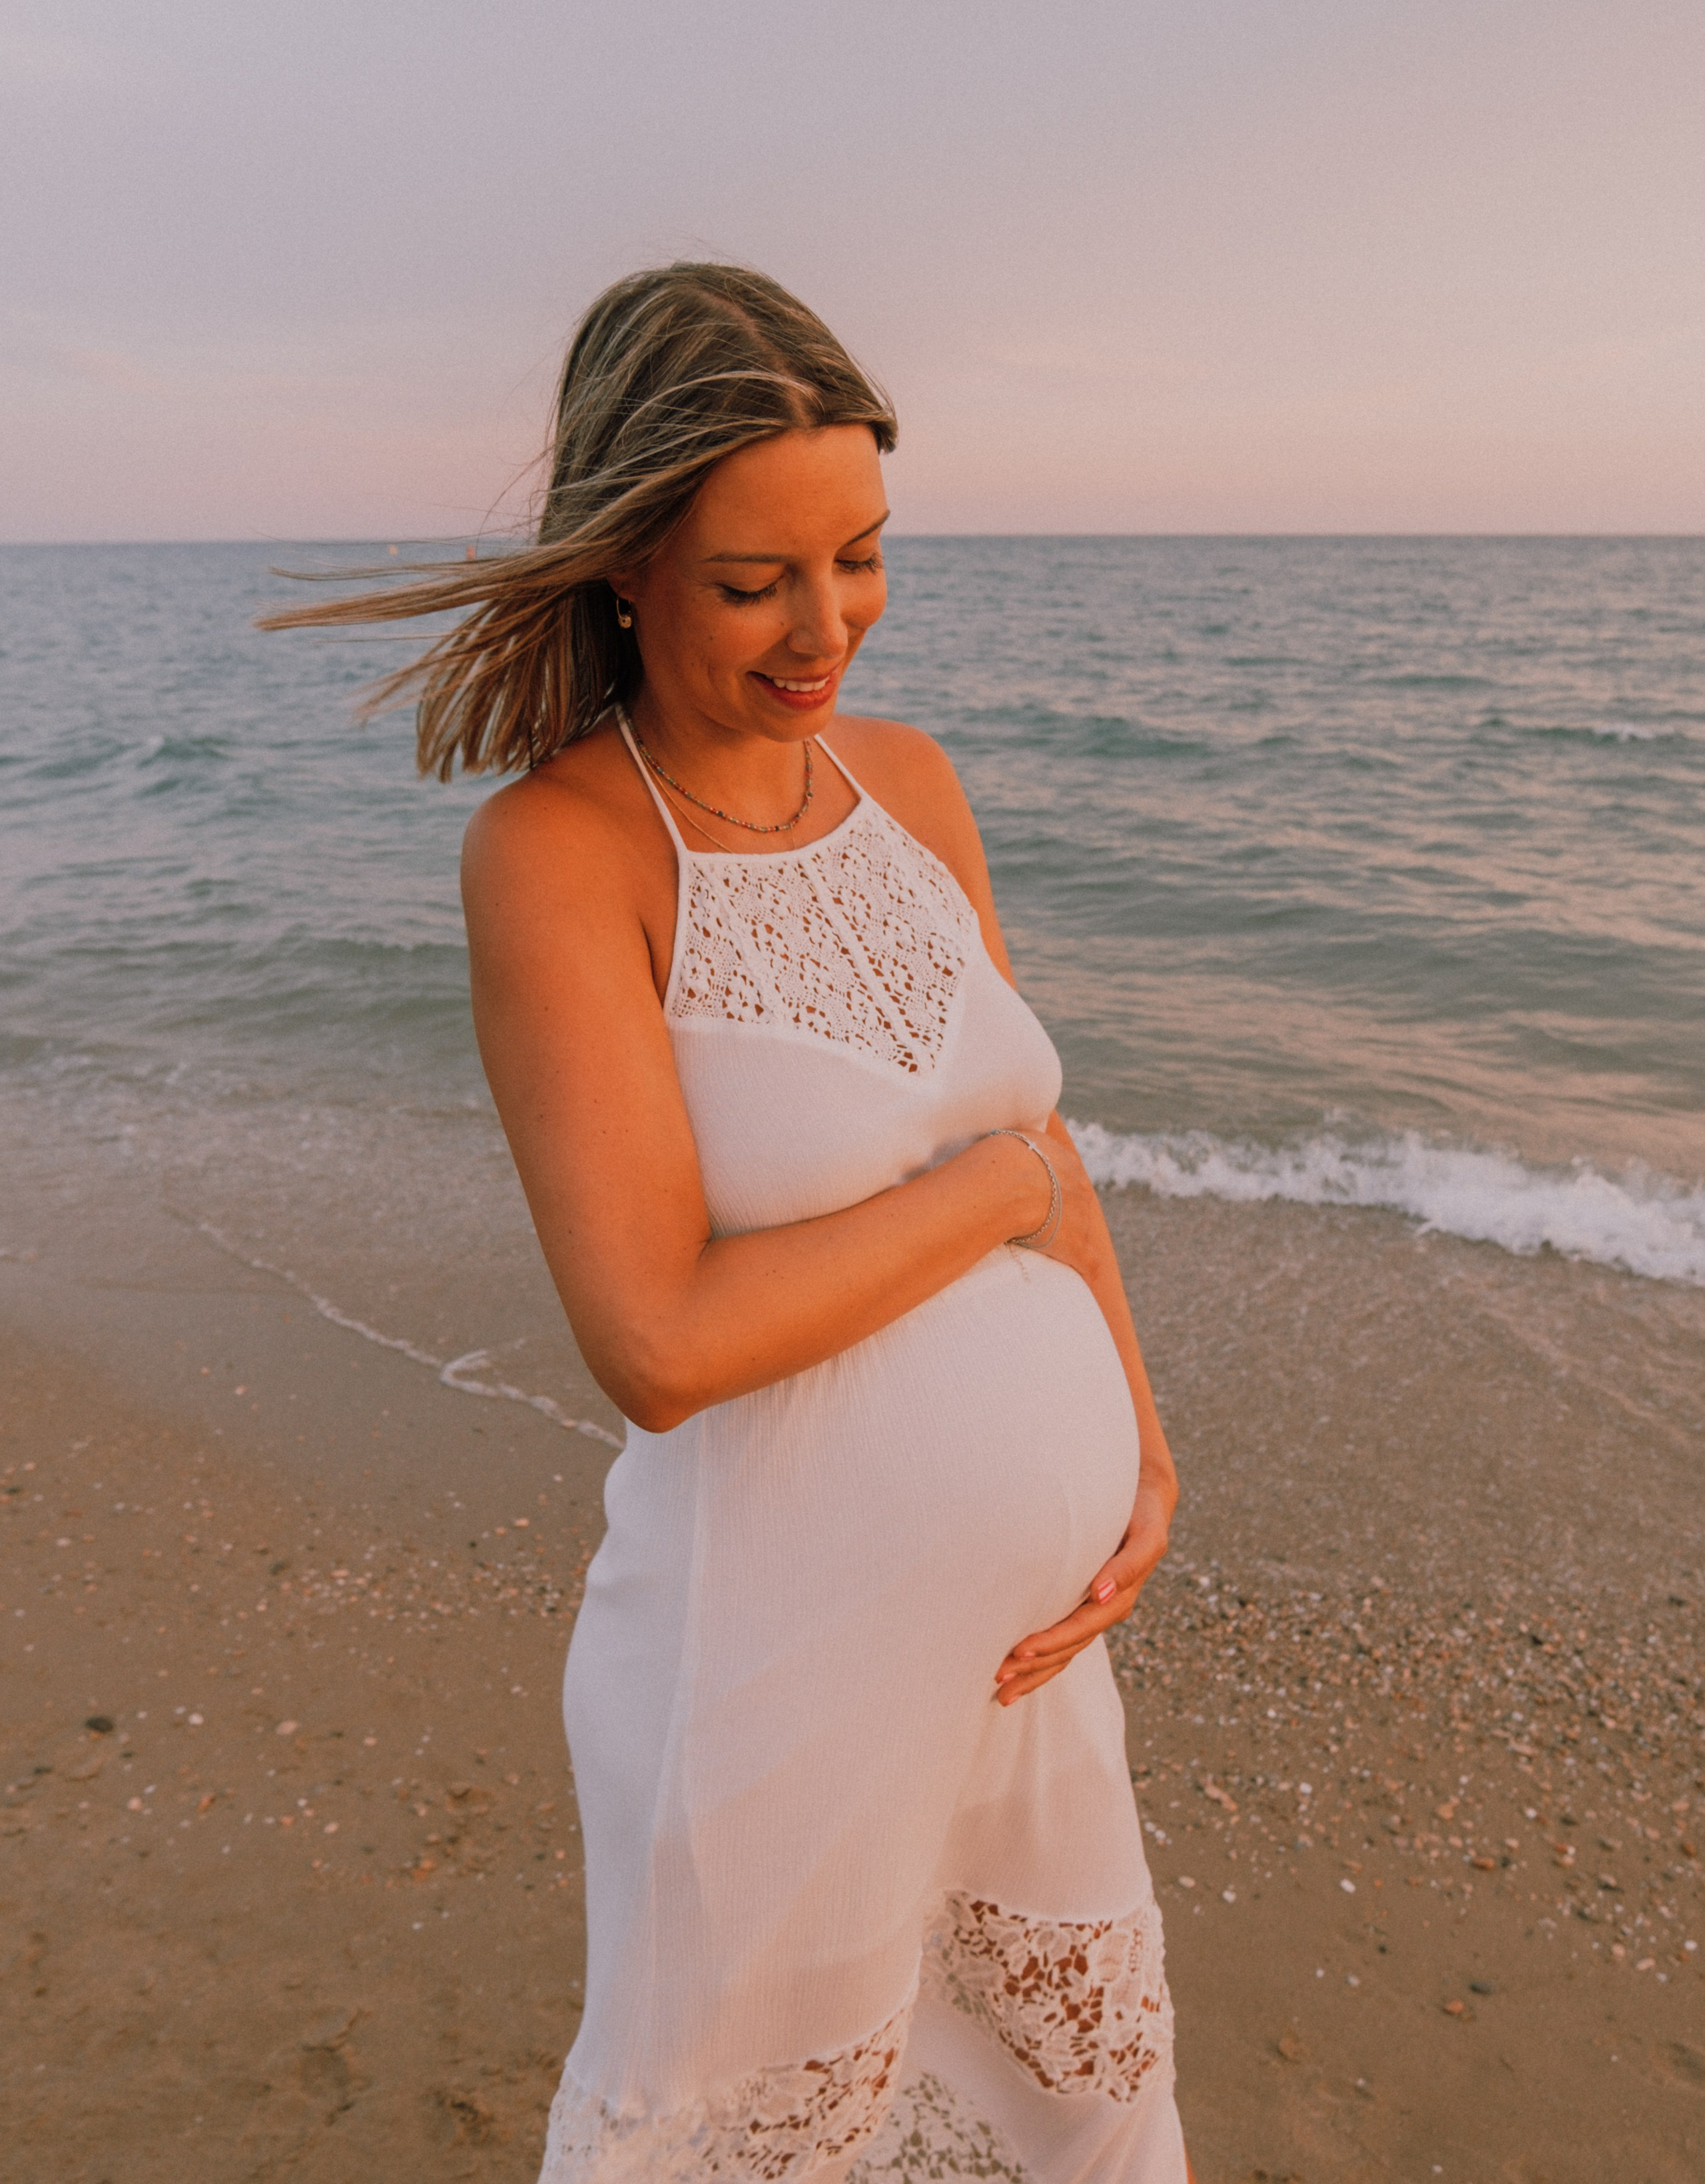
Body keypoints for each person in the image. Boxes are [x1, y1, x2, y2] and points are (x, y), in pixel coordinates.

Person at [269, 263, 1192, 2181]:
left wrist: (1141, 1448)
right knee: (756, 2134)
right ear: (625, 563)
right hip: (774, 1661)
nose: (824, 627)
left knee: (1061, 2102)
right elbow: (662, 1341)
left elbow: (1052, 1152)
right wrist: (999, 1192)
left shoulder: (913, 783)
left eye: (859, 557)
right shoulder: (558, 855)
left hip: (1024, 1648)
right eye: (754, 580)